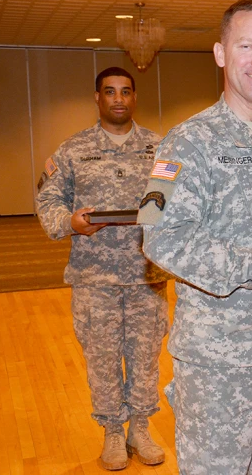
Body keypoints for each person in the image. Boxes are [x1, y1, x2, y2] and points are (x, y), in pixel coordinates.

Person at [137, 0, 252, 475]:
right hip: (219, 359)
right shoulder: (183, 142)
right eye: (246, 46)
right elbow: (159, 237)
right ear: (221, 53)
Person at [35, 67, 170, 470]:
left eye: (126, 91)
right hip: (95, 276)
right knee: (102, 358)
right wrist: (69, 223)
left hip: (147, 274)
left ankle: (140, 429)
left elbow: (175, 199)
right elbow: (48, 200)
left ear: (134, 97)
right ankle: (112, 431)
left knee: (146, 356)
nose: (118, 99)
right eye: (109, 92)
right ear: (97, 98)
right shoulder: (73, 150)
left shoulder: (159, 148)